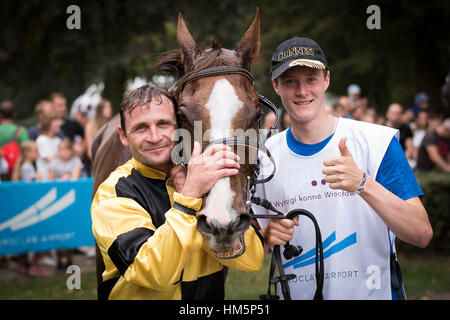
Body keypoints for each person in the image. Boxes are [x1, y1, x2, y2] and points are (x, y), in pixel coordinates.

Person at [252, 36, 433, 300]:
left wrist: (363, 183)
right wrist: (266, 235)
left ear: (326, 80)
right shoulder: (264, 156)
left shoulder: (377, 142)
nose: (302, 91)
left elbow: (421, 233)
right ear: (275, 86)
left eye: (311, 79)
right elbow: (249, 238)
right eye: (290, 81)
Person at [91, 83, 263, 300]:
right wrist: (189, 198)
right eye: (141, 128)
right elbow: (152, 271)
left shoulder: (203, 180)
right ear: (123, 136)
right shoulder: (112, 193)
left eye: (163, 124)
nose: (154, 137)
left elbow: (252, 260)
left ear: (180, 127)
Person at [36, 112, 63, 180]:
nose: (60, 123)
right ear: (48, 123)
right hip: (44, 179)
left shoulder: (58, 140)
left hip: (57, 178)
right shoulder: (41, 140)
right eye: (56, 120)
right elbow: (50, 159)